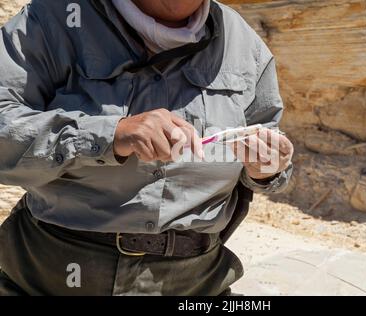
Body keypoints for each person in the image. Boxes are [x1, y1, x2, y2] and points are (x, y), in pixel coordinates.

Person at [0, 0, 293, 295]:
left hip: (196, 283)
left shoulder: (242, 41)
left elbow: (268, 152)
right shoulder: (56, 18)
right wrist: (111, 135)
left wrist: (267, 168)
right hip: (50, 273)